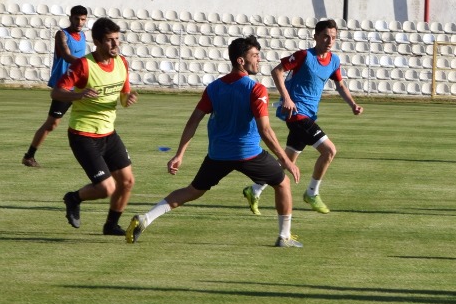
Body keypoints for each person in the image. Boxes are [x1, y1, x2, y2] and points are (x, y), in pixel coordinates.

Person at [127, 36, 301, 247]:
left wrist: (180, 154)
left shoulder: (214, 88)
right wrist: (286, 160)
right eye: (254, 56)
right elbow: (265, 130)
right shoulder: (256, 89)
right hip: (247, 154)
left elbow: (193, 122)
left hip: (217, 155)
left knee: (192, 191)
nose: (259, 60)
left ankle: (146, 218)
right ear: (240, 60)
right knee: (282, 183)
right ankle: (284, 237)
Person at [244, 19, 362, 216]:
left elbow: (340, 85)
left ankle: (254, 189)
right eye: (325, 36)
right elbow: (277, 71)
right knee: (329, 151)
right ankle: (312, 193)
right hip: (296, 114)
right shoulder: (303, 56)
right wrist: (287, 98)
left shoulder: (333, 61)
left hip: (309, 115)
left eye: (333, 37)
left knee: (286, 160)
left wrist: (353, 104)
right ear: (315, 36)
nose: (329, 40)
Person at [53, 16, 137, 236]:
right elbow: (57, 92)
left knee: (127, 181)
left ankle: (111, 225)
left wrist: (127, 99)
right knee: (106, 188)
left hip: (108, 134)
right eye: (110, 40)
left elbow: (124, 94)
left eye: (117, 39)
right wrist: (79, 94)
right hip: (84, 135)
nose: (116, 44)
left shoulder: (122, 62)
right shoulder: (83, 65)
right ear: (98, 42)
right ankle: (73, 198)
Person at [23, 5, 89, 167]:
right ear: (70, 17)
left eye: (83, 19)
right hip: (65, 87)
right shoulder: (62, 34)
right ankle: (29, 156)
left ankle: (99, 157)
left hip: (80, 85)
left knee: (92, 119)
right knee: (52, 123)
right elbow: (67, 56)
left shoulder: (83, 36)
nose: (80, 22)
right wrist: (87, 65)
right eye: (77, 18)